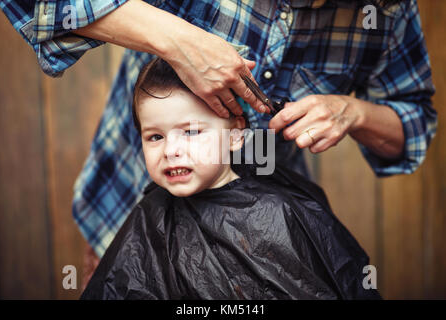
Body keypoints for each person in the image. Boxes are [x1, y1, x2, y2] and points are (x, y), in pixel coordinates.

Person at [0, 0, 437, 259]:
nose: (174, 150)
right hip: (125, 210)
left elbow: (415, 121)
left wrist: (354, 112)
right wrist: (175, 40)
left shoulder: (388, 11)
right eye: (161, 137)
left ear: (238, 132)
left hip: (261, 237)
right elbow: (41, 8)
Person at [80, 57, 381, 299]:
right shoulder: (147, 220)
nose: (171, 150)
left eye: (191, 131)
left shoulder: (280, 212)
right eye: (155, 136)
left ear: (236, 135)